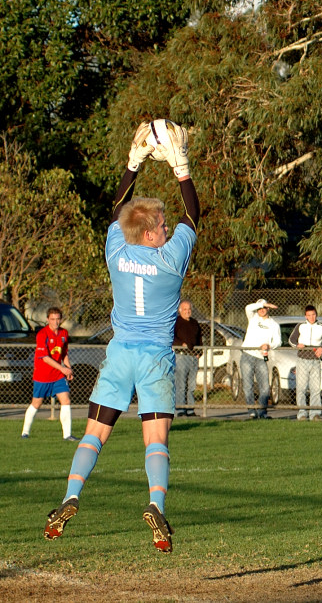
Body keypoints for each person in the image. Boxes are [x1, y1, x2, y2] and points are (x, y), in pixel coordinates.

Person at [43, 120, 199, 554]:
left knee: (94, 434)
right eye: (162, 225)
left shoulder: (117, 250)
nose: (168, 228)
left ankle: (70, 496)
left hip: (119, 354)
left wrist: (133, 163)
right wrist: (181, 168)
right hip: (154, 358)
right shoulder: (169, 260)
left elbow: (118, 208)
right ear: (150, 233)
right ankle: (156, 505)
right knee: (156, 441)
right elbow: (194, 213)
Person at [21, 307, 78, 441]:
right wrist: (63, 369)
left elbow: (64, 353)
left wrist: (68, 369)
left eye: (58, 319)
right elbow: (45, 357)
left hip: (58, 376)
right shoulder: (42, 334)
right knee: (36, 403)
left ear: (61, 319)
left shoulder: (64, 333)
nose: (55, 322)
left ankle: (67, 435)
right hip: (43, 376)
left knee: (66, 400)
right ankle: (25, 432)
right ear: (47, 320)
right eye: (52, 319)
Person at [289, 305, 322, 421]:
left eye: (313, 315)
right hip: (302, 360)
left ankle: (315, 414)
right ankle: (302, 413)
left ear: (316, 315)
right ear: (305, 316)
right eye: (309, 315)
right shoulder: (300, 326)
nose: (311, 317)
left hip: (315, 361)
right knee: (301, 388)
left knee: (315, 389)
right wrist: (297, 345)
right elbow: (291, 340)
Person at [240, 299, 281, 419]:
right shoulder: (253, 318)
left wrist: (269, 346)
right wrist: (263, 304)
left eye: (264, 308)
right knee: (248, 385)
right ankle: (251, 411)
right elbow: (248, 307)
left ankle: (262, 412)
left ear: (268, 309)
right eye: (260, 308)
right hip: (247, 355)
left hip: (261, 357)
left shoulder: (273, 324)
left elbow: (278, 341)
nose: (262, 310)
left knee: (264, 387)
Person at [173, 300, 202, 417]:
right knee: (181, 384)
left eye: (189, 309)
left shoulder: (194, 323)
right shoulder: (176, 322)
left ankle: (190, 409)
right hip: (181, 356)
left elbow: (199, 339)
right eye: (185, 309)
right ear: (180, 311)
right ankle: (180, 409)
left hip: (193, 357)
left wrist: (199, 352)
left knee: (191, 386)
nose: (187, 311)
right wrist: (182, 344)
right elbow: (171, 337)